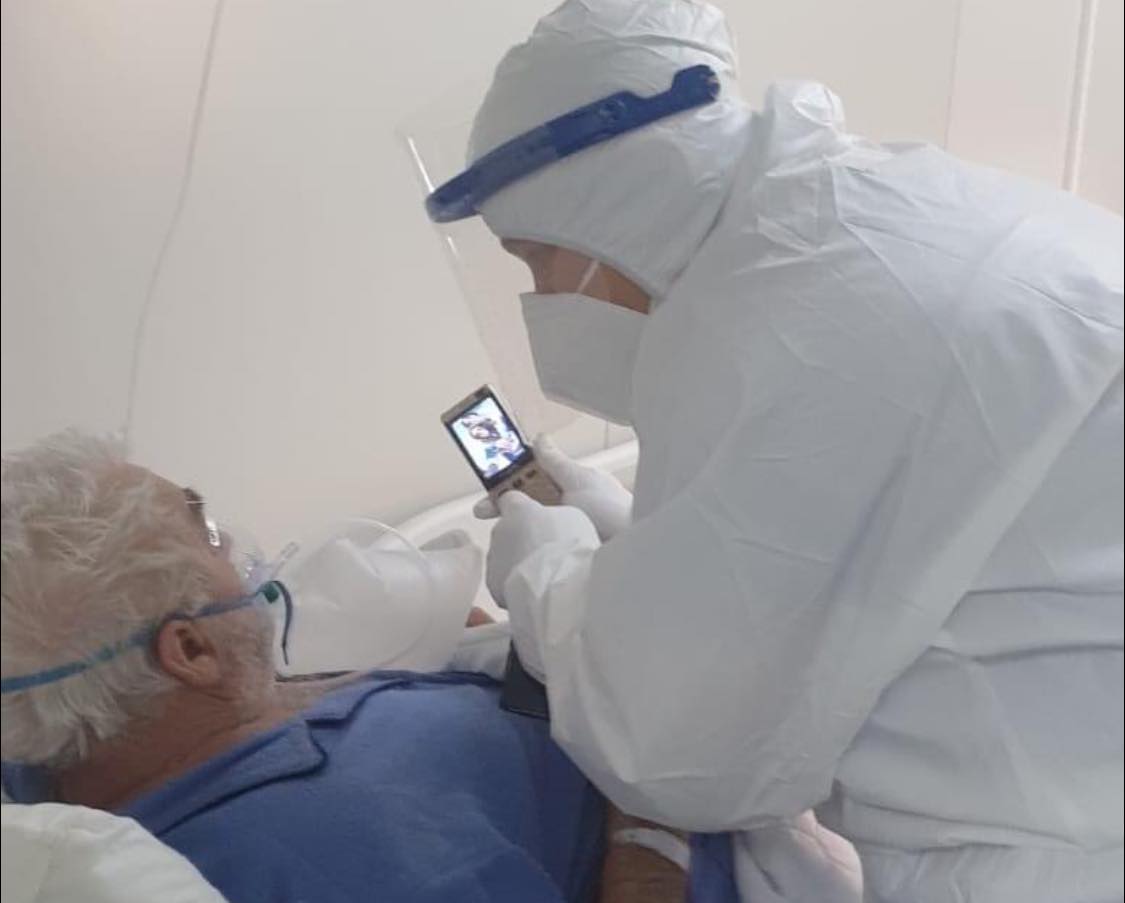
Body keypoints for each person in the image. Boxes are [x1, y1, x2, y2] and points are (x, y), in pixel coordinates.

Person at [425, 1, 1125, 901]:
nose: (542, 299)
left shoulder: (775, 317)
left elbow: (674, 752)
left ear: (607, 205)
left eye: (537, 259)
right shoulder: (878, 218)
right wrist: (631, 531)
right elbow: (858, 547)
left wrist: (543, 568)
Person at [1, 430, 687, 903]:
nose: (233, 546)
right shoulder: (363, 859)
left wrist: (499, 645)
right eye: (205, 532)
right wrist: (646, 791)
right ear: (190, 652)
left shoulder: (75, 755)